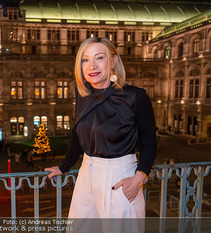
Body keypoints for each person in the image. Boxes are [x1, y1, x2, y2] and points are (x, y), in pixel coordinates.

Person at [45, 37, 157, 230]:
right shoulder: (82, 94)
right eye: (85, 59)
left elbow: (150, 142)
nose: (92, 66)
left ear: (113, 61)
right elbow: (77, 134)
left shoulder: (135, 96)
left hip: (119, 175)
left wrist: (140, 176)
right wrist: (64, 167)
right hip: (86, 173)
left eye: (99, 58)